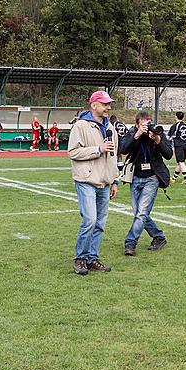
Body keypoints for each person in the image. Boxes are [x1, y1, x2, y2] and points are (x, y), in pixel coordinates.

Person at [68, 90, 119, 275]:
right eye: (105, 104)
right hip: (86, 180)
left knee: (100, 224)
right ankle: (80, 259)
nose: (108, 107)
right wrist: (98, 149)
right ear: (93, 105)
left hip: (105, 182)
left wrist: (115, 181)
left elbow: (113, 157)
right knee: (89, 220)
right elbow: (73, 152)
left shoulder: (111, 128)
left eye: (109, 104)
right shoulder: (80, 126)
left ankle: (91, 258)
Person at [118, 111, 174, 256]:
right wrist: (136, 136)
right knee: (139, 213)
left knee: (141, 213)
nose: (147, 126)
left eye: (148, 122)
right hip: (135, 177)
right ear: (137, 124)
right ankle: (159, 236)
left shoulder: (157, 133)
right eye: (143, 123)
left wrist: (157, 140)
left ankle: (130, 242)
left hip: (152, 178)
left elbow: (168, 154)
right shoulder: (131, 133)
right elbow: (123, 149)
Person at [168, 111, 186, 184]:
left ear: (175, 117)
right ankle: (173, 178)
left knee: (181, 162)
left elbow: (167, 137)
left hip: (179, 146)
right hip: (185, 146)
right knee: (180, 162)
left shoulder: (175, 126)